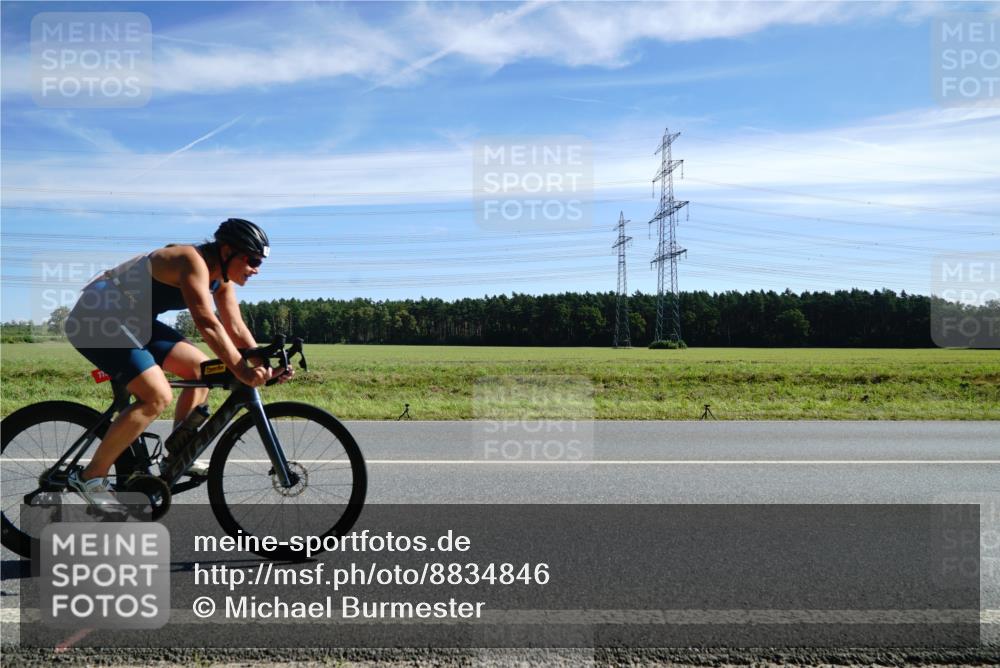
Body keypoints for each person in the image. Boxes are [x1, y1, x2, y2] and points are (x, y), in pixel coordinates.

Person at [65, 218, 290, 503]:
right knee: (156, 396)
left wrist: (263, 363)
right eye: (253, 259)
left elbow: (235, 327)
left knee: (204, 369)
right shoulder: (190, 260)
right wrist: (242, 372)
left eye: (260, 262)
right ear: (227, 251)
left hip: (134, 322)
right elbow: (207, 322)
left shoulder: (221, 280)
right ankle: (89, 477)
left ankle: (176, 456)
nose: (256, 269)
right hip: (96, 318)